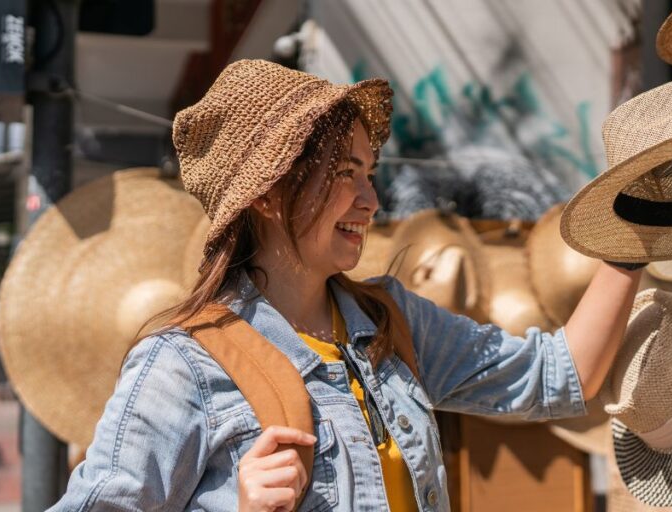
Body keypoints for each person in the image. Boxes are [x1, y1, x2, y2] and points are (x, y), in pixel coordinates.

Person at [50, 60, 640, 512]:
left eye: (369, 174)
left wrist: (635, 235)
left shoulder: (391, 324)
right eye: (343, 174)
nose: (371, 200)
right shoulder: (182, 366)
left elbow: (561, 375)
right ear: (268, 193)